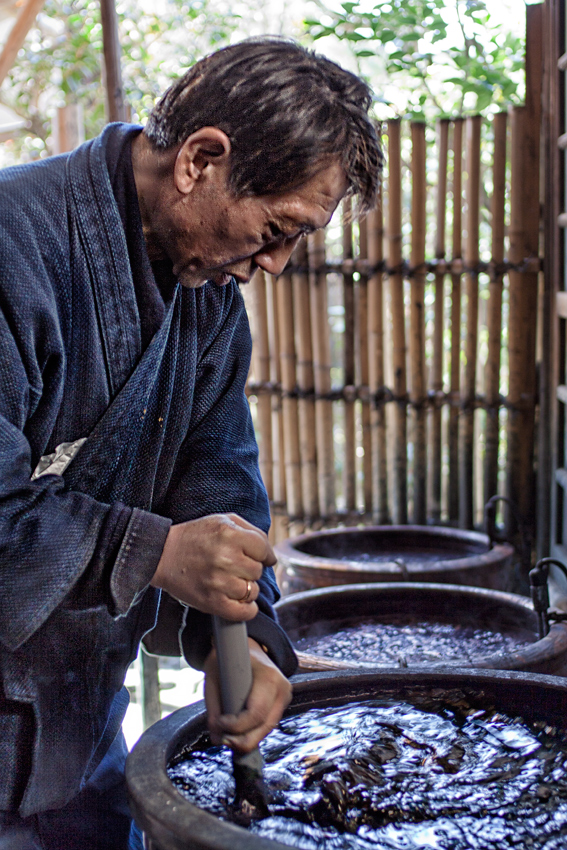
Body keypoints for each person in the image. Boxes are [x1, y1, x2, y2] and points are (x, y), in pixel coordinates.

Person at [0, 36, 382, 849]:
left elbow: (220, 481)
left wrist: (237, 644)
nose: (276, 264)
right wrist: (153, 554)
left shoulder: (205, 301)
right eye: (276, 228)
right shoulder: (11, 247)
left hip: (79, 730)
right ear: (201, 160)